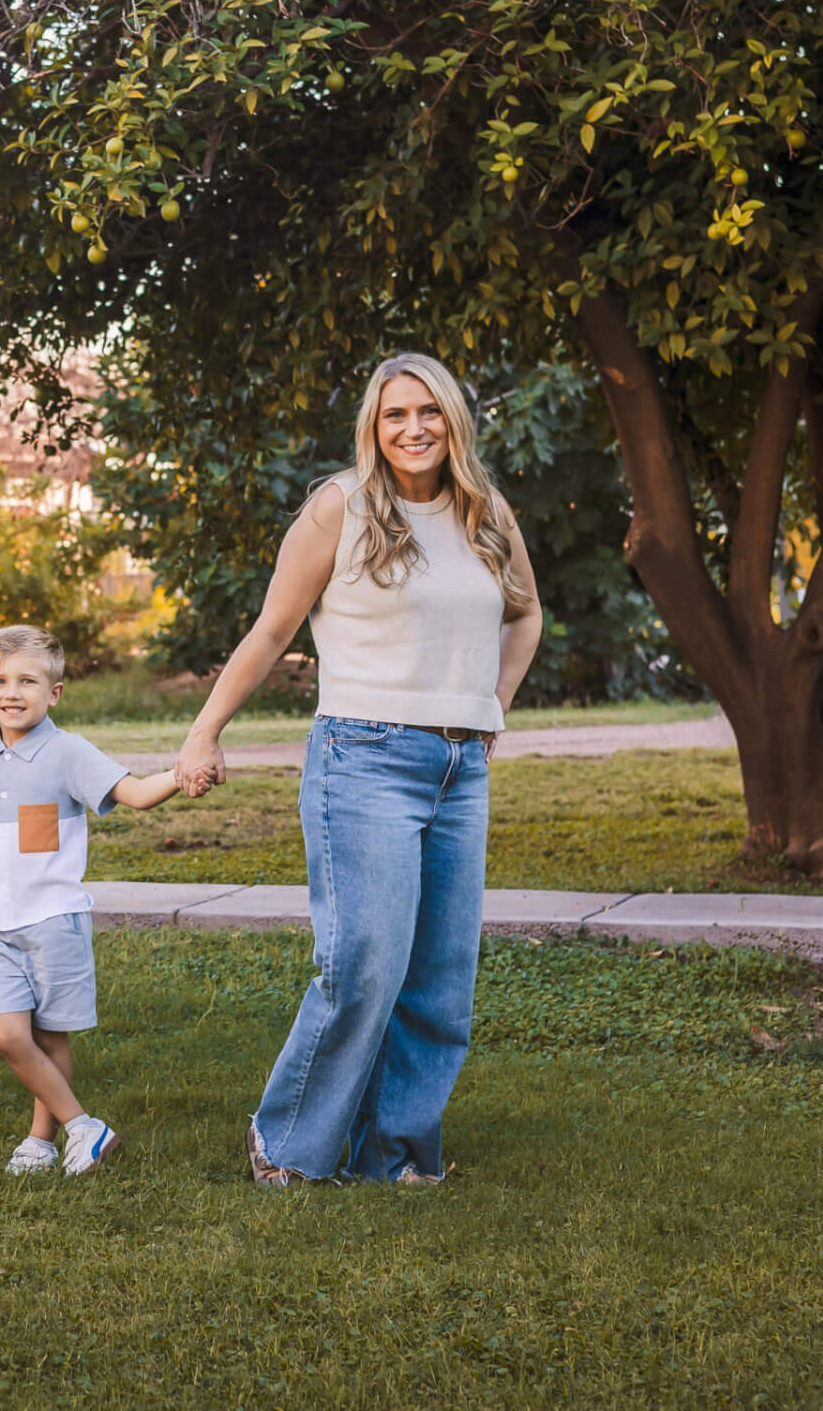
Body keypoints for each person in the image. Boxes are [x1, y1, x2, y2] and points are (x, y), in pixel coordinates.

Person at [173, 352, 542, 1187]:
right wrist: (205, 732)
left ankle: (398, 1158)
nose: (414, 429)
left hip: (460, 766)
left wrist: (493, 707)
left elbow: (525, 616)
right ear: (373, 429)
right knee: (364, 964)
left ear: (453, 418)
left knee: (441, 980)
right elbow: (272, 630)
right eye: (394, 416)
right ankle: (289, 1147)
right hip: (364, 756)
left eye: (429, 413)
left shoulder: (484, 510)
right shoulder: (341, 507)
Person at [0, 624, 182, 1177]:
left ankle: (42, 1142)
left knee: (49, 1035)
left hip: (54, 923)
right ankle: (84, 1127)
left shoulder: (68, 752)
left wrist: (181, 776)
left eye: (27, 680)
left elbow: (135, 792)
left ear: (55, 693)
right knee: (7, 1034)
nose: (12, 692)